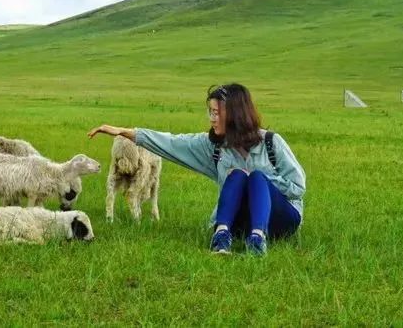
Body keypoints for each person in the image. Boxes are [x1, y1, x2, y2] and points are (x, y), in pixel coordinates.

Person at [87, 83, 306, 256]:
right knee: (238, 175)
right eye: (210, 112)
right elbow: (172, 143)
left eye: (217, 113)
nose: (212, 118)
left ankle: (258, 239)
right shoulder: (213, 147)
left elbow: (298, 188)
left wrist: (260, 181)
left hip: (281, 219)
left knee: (255, 177)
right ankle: (221, 237)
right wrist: (125, 132)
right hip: (241, 220)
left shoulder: (270, 142)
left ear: (236, 113)